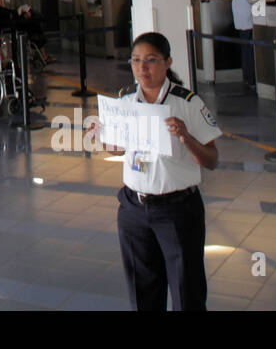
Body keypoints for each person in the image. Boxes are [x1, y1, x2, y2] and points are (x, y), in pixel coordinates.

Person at [89, 31, 221, 311]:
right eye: (136, 60)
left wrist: (186, 137)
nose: (142, 68)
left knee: (187, 290)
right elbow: (119, 149)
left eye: (151, 60)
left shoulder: (186, 103)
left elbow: (211, 159)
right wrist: (102, 136)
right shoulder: (125, 100)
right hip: (133, 208)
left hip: (177, 210)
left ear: (167, 62)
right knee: (142, 288)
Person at [231, 0, 262, 90]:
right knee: (250, 51)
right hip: (248, 19)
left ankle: (248, 78)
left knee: (246, 50)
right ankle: (252, 79)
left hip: (241, 18)